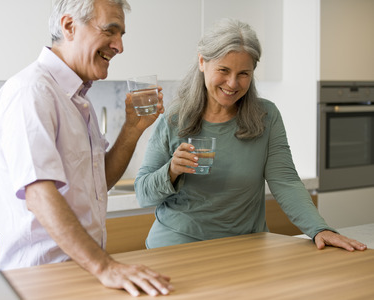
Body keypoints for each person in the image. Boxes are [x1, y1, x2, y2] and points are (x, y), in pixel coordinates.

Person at [0, 0, 173, 297]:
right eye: (111, 31)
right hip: (38, 282)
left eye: (122, 35)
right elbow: (39, 194)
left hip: (77, 275)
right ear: (69, 26)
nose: (119, 46)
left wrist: (132, 130)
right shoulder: (32, 92)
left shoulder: (75, 99)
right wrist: (105, 267)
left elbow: (96, 185)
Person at [135, 19, 367, 253]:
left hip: (245, 248)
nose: (232, 83)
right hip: (176, 247)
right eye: (223, 70)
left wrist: (319, 228)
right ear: (202, 62)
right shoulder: (174, 118)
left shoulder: (266, 116)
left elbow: (285, 181)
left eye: (243, 73)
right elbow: (143, 193)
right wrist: (172, 170)